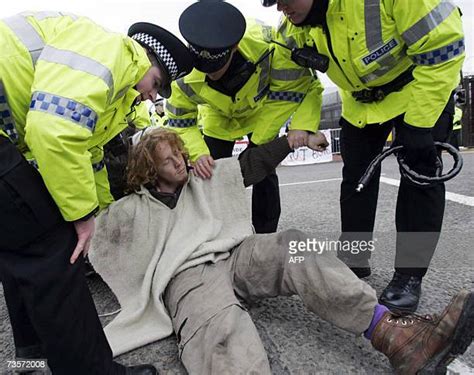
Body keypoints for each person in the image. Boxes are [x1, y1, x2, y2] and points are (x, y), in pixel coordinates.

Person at [89, 127, 473, 375]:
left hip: (236, 253)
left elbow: (251, 165)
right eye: (168, 161)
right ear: (148, 169)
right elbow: (93, 243)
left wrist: (294, 140)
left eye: (180, 154)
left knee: (294, 245)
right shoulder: (131, 209)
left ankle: (397, 336)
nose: (180, 162)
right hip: (189, 274)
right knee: (222, 331)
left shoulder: (202, 178)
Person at [0, 11, 193, 374]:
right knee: (53, 249)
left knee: (19, 240)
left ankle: (32, 352)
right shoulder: (110, 53)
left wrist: (104, 214)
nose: (154, 96)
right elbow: (53, 133)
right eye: (157, 83)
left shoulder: (117, 94)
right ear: (147, 60)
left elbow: (90, 157)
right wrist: (82, 217)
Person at [261, 0, 465, 312]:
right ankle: (355, 258)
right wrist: (276, 138)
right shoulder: (293, 29)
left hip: (418, 90)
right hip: (361, 104)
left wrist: (419, 122)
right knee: (355, 180)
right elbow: (296, 85)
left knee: (420, 179)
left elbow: (445, 47)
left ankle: (409, 275)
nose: (282, 8)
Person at [165, 0, 323, 233]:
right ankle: (218, 232)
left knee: (264, 174)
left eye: (219, 68)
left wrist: (261, 141)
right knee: (210, 176)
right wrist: (199, 155)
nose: (214, 76)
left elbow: (304, 86)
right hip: (217, 121)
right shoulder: (181, 75)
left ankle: (265, 233)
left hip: (261, 115)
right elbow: (181, 122)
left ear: (235, 47)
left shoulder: (270, 46)